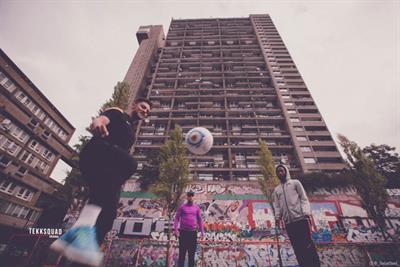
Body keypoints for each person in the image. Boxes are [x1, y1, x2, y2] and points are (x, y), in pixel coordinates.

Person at [50, 98, 152, 266]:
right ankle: (79, 241)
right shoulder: (119, 114)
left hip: (108, 170)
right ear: (134, 105)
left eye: (148, 111)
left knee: (108, 213)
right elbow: (103, 119)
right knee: (131, 163)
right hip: (97, 153)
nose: (145, 111)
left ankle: (79, 245)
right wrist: (97, 123)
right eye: (143, 107)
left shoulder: (131, 132)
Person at [272, 164, 321, 267]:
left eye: (282, 171)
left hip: (301, 219)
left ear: (286, 171)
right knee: (297, 248)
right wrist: (277, 218)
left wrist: (306, 212)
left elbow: (304, 198)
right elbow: (277, 206)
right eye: (278, 172)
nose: (280, 173)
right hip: (289, 223)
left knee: (308, 245)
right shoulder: (277, 190)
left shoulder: (295, 183)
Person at [174, 191, 205, 267]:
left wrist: (202, 232)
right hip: (183, 233)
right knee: (182, 254)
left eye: (192, 196)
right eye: (189, 196)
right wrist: (176, 230)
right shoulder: (182, 207)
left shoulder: (196, 208)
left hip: (192, 233)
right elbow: (176, 218)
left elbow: (200, 220)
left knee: (191, 255)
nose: (190, 197)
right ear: (187, 197)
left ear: (193, 197)